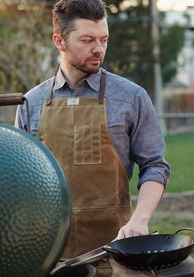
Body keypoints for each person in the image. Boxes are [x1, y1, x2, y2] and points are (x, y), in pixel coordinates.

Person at [15, 0, 170, 260]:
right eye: (87, 40)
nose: (99, 49)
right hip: (48, 255)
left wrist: (139, 220)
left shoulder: (131, 97)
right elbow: (20, 181)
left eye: (103, 39)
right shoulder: (31, 103)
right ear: (59, 41)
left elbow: (156, 165)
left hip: (116, 249)